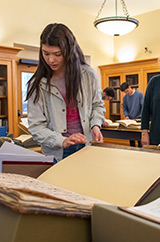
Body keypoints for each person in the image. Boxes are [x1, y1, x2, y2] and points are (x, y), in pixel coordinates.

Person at [26, 23, 105, 163]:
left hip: (87, 145)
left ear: (69, 51)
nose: (51, 59)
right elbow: (36, 126)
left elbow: (97, 105)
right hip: (56, 151)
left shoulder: (87, 74)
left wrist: (95, 125)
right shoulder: (37, 84)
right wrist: (62, 141)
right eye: (46, 53)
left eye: (57, 54)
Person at [120, 82, 144, 147]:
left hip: (139, 119)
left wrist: (141, 116)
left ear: (130, 86)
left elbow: (143, 106)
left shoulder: (139, 95)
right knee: (131, 138)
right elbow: (124, 108)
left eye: (127, 91)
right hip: (130, 120)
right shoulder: (125, 97)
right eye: (125, 92)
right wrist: (126, 115)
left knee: (139, 139)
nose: (127, 93)